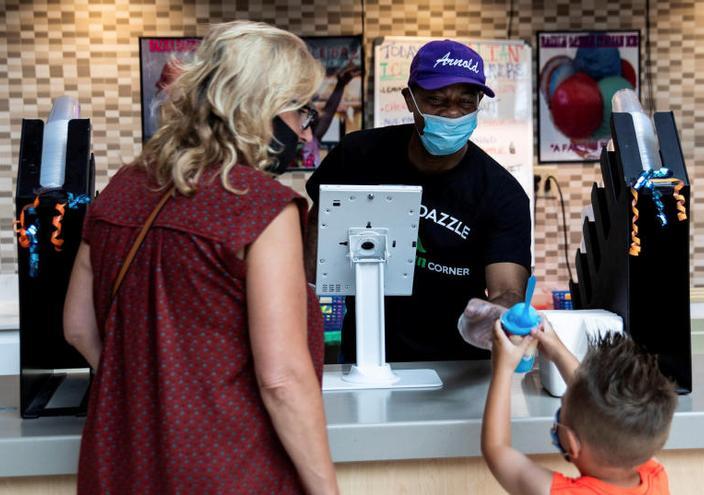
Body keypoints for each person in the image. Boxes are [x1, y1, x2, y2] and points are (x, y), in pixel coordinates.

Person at [63, 21, 339, 494]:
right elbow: (282, 380)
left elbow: (78, 328)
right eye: (300, 112)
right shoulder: (262, 207)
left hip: (118, 462)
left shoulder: (122, 189)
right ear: (262, 109)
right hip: (227, 467)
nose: (304, 128)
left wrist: (157, 387)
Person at [305, 39, 531, 363]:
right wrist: (302, 299)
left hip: (458, 365)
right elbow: (317, 234)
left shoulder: (501, 194)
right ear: (410, 100)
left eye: (465, 102)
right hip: (365, 356)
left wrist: (502, 315)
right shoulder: (357, 157)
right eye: (436, 101)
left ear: (480, 101)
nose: (452, 113)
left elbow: (507, 289)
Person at [482, 323, 677, 495]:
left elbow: (497, 450)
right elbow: (592, 399)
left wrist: (503, 368)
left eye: (562, 405)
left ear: (571, 442)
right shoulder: (655, 475)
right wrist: (557, 350)